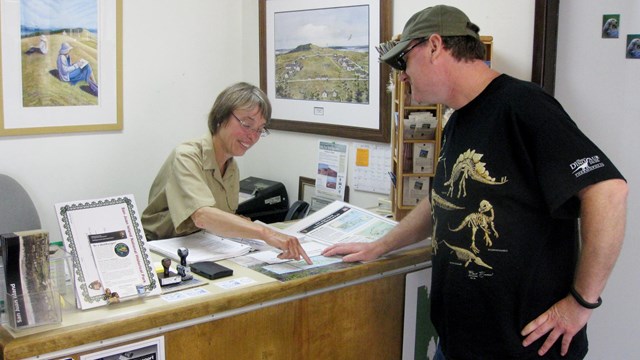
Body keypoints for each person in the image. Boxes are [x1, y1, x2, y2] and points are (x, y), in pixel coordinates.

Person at [322, 5, 627, 359]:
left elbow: (608, 190)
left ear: (435, 46)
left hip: (522, 348)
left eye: (403, 61)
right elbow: (442, 198)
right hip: (460, 344)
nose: (401, 77)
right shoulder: (458, 121)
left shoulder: (524, 105)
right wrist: (380, 246)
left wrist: (580, 303)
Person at [142, 82, 312, 264]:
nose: (253, 137)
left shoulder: (231, 166)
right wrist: (265, 233)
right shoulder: (186, 156)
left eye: (260, 130)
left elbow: (220, 217)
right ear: (220, 118)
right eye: (247, 124)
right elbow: (202, 216)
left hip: (201, 248)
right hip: (161, 252)